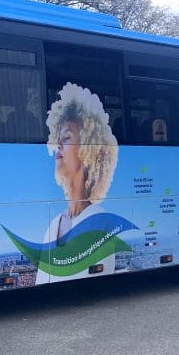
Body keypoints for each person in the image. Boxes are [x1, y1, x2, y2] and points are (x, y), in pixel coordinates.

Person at [45, 82, 119, 244]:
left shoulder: (99, 223)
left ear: (88, 150)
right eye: (58, 138)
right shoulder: (54, 225)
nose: (58, 145)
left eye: (67, 138)